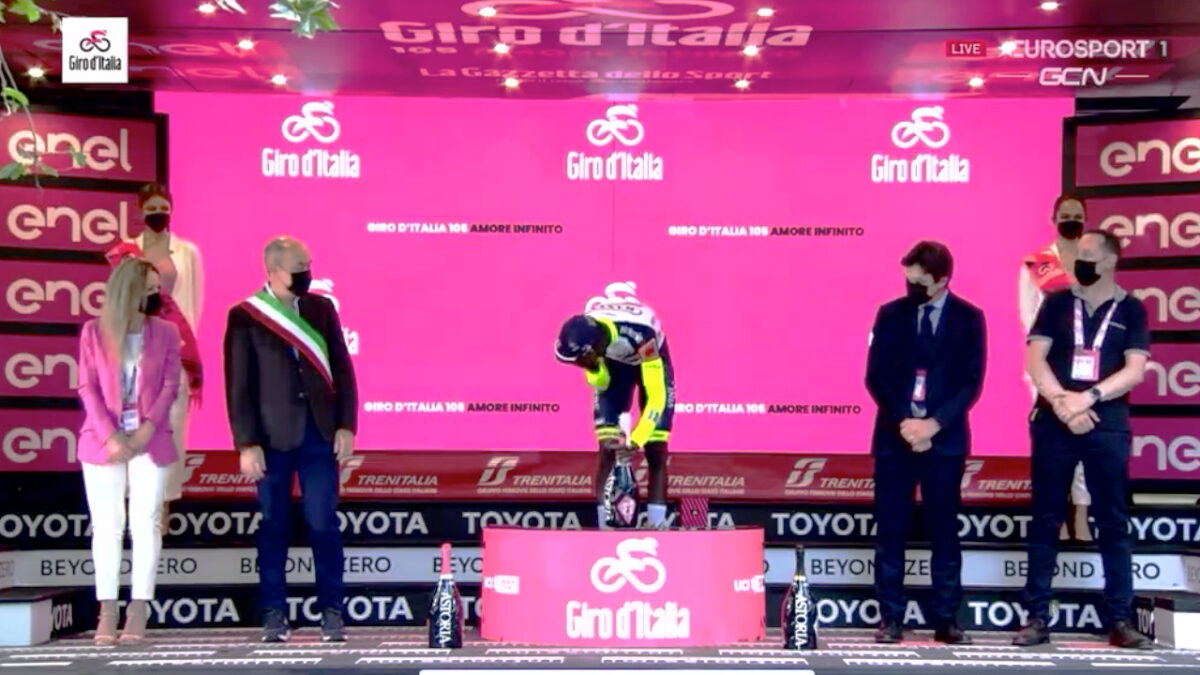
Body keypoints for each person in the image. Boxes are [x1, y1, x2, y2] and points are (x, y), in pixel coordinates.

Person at [1015, 230, 1151, 649]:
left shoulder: (1131, 309)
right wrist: (1062, 403)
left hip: (1106, 423)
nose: (1079, 260)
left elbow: (1135, 370)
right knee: (1045, 519)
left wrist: (1088, 397)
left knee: (1112, 521)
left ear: (1110, 261)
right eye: (1078, 254)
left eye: (1089, 254)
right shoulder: (1056, 303)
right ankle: (1036, 617)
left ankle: (1120, 620)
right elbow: (1034, 359)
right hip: (1054, 422)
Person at [224, 236, 357, 642]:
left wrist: (346, 425)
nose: (307, 273)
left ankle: (332, 612)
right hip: (270, 439)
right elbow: (238, 386)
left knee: (323, 523)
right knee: (274, 526)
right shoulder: (245, 316)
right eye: (299, 267)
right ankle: (274, 614)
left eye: (308, 265)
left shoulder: (321, 309)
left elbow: (342, 368)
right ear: (274, 271)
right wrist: (246, 443)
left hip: (319, 434)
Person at [865, 241, 986, 645]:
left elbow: (971, 381)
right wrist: (905, 423)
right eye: (907, 280)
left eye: (918, 282)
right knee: (891, 530)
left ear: (942, 280)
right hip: (895, 437)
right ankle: (891, 617)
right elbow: (876, 376)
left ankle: (947, 618)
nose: (910, 288)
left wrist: (933, 424)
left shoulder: (969, 318)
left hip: (944, 441)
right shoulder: (890, 314)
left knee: (944, 531)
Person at [76, 258, 182, 645]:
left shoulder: (167, 332)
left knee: (146, 521)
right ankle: (107, 608)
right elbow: (87, 387)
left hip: (150, 439)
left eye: (158, 289)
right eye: (150, 290)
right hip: (102, 440)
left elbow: (170, 384)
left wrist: (146, 430)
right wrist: (112, 436)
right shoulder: (93, 331)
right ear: (129, 292)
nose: (157, 296)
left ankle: (138, 607)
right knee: (107, 525)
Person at [554, 285, 675, 529]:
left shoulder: (642, 336)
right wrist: (593, 367)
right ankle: (605, 528)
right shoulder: (590, 332)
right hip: (612, 361)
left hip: (649, 357)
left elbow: (657, 398)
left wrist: (637, 439)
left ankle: (658, 526)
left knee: (655, 448)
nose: (577, 366)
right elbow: (601, 381)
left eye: (579, 361)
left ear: (591, 349)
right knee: (608, 449)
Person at [1020, 194, 1091, 542]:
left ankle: (1082, 513)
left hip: (1089, 364)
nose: (1070, 220)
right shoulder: (1036, 263)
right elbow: (1027, 317)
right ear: (1053, 219)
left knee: (1085, 439)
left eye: (1076, 215)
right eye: (1065, 215)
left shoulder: (1095, 260)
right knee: (1053, 443)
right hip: (1047, 364)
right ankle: (1057, 515)